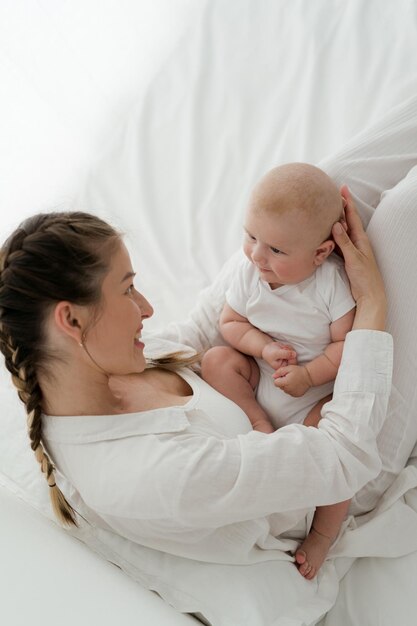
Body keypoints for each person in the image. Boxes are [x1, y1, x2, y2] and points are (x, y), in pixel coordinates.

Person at [0, 193, 390, 579]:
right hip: (339, 478)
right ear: (71, 320)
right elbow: (345, 455)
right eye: (126, 289)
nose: (147, 308)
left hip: (282, 391)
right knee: (401, 214)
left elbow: (194, 335)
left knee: (312, 196)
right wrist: (371, 302)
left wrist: (268, 248)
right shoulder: (156, 472)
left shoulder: (99, 367)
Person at [201, 162, 356, 578]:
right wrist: (263, 348)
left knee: (338, 443)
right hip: (261, 374)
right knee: (215, 360)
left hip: (310, 394)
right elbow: (230, 323)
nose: (256, 254)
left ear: (320, 253)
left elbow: (348, 345)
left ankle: (322, 535)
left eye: (276, 250)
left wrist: (310, 375)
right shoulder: (249, 271)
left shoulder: (329, 285)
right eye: (251, 236)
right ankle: (256, 421)